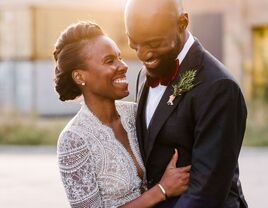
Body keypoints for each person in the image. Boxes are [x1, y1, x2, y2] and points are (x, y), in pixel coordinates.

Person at [124, 0, 248, 207]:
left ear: (182, 23)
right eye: (134, 43)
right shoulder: (143, 75)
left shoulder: (219, 87)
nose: (142, 55)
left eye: (154, 43)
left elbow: (206, 193)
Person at [54, 21, 190, 208]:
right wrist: (162, 190)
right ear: (79, 77)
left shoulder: (135, 112)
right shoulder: (74, 139)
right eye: (109, 61)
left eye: (119, 57)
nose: (123, 66)